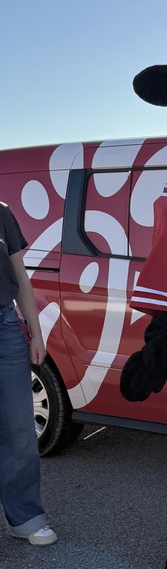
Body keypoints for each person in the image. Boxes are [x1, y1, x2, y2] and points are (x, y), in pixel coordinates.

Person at [0, 202, 57, 546]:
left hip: (5, 325)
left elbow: (20, 275)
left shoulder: (2, 213)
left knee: (20, 427)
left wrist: (35, 332)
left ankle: (26, 517)